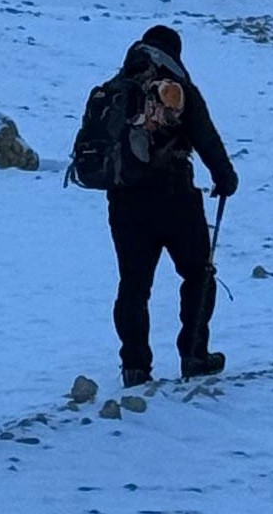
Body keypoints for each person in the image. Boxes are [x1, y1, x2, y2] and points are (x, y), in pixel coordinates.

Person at [98, 25, 238, 386]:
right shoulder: (178, 88)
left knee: (133, 285)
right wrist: (225, 178)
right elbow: (205, 138)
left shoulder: (115, 89)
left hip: (125, 202)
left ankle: (134, 367)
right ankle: (194, 354)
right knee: (197, 274)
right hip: (175, 198)